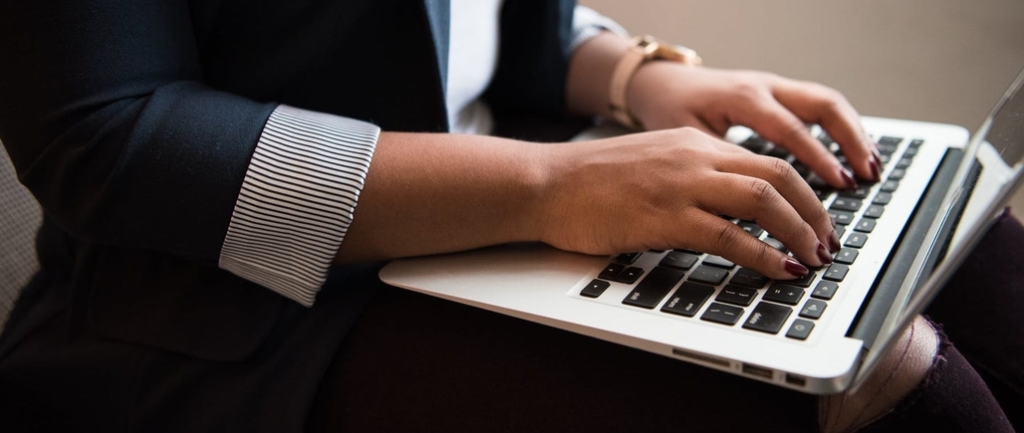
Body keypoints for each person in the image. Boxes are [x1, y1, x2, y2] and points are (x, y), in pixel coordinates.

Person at [0, 0, 1019, 431]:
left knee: (961, 247)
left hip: (515, 199)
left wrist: (634, 75)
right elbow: (105, 134)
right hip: (218, 308)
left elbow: (473, 27)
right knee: (882, 367)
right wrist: (546, 186)